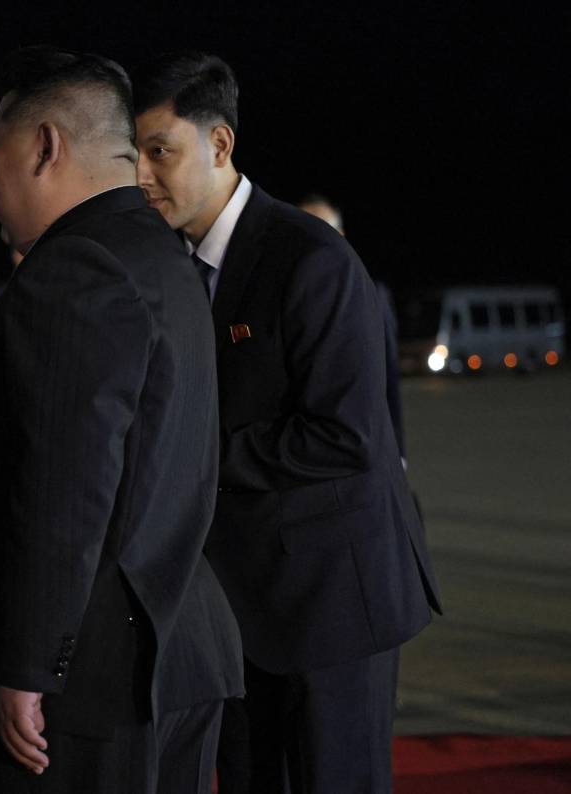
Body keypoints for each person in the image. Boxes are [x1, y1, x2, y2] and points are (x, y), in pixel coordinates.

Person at [0, 46, 242, 794]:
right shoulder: (162, 254)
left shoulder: (75, 267)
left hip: (80, 686)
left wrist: (28, 663)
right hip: (172, 646)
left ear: (44, 147)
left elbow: (67, 484)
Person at [132, 53, 441, 794]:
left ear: (219, 144)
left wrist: (192, 460)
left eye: (159, 152)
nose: (142, 175)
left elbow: (347, 435)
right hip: (241, 612)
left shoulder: (311, 260)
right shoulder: (169, 267)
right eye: (131, 154)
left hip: (333, 608)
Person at [297, 195, 406, 461]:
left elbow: (388, 374)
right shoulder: (283, 295)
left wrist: (398, 451)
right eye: (304, 228)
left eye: (322, 228)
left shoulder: (369, 291)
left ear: (341, 235)